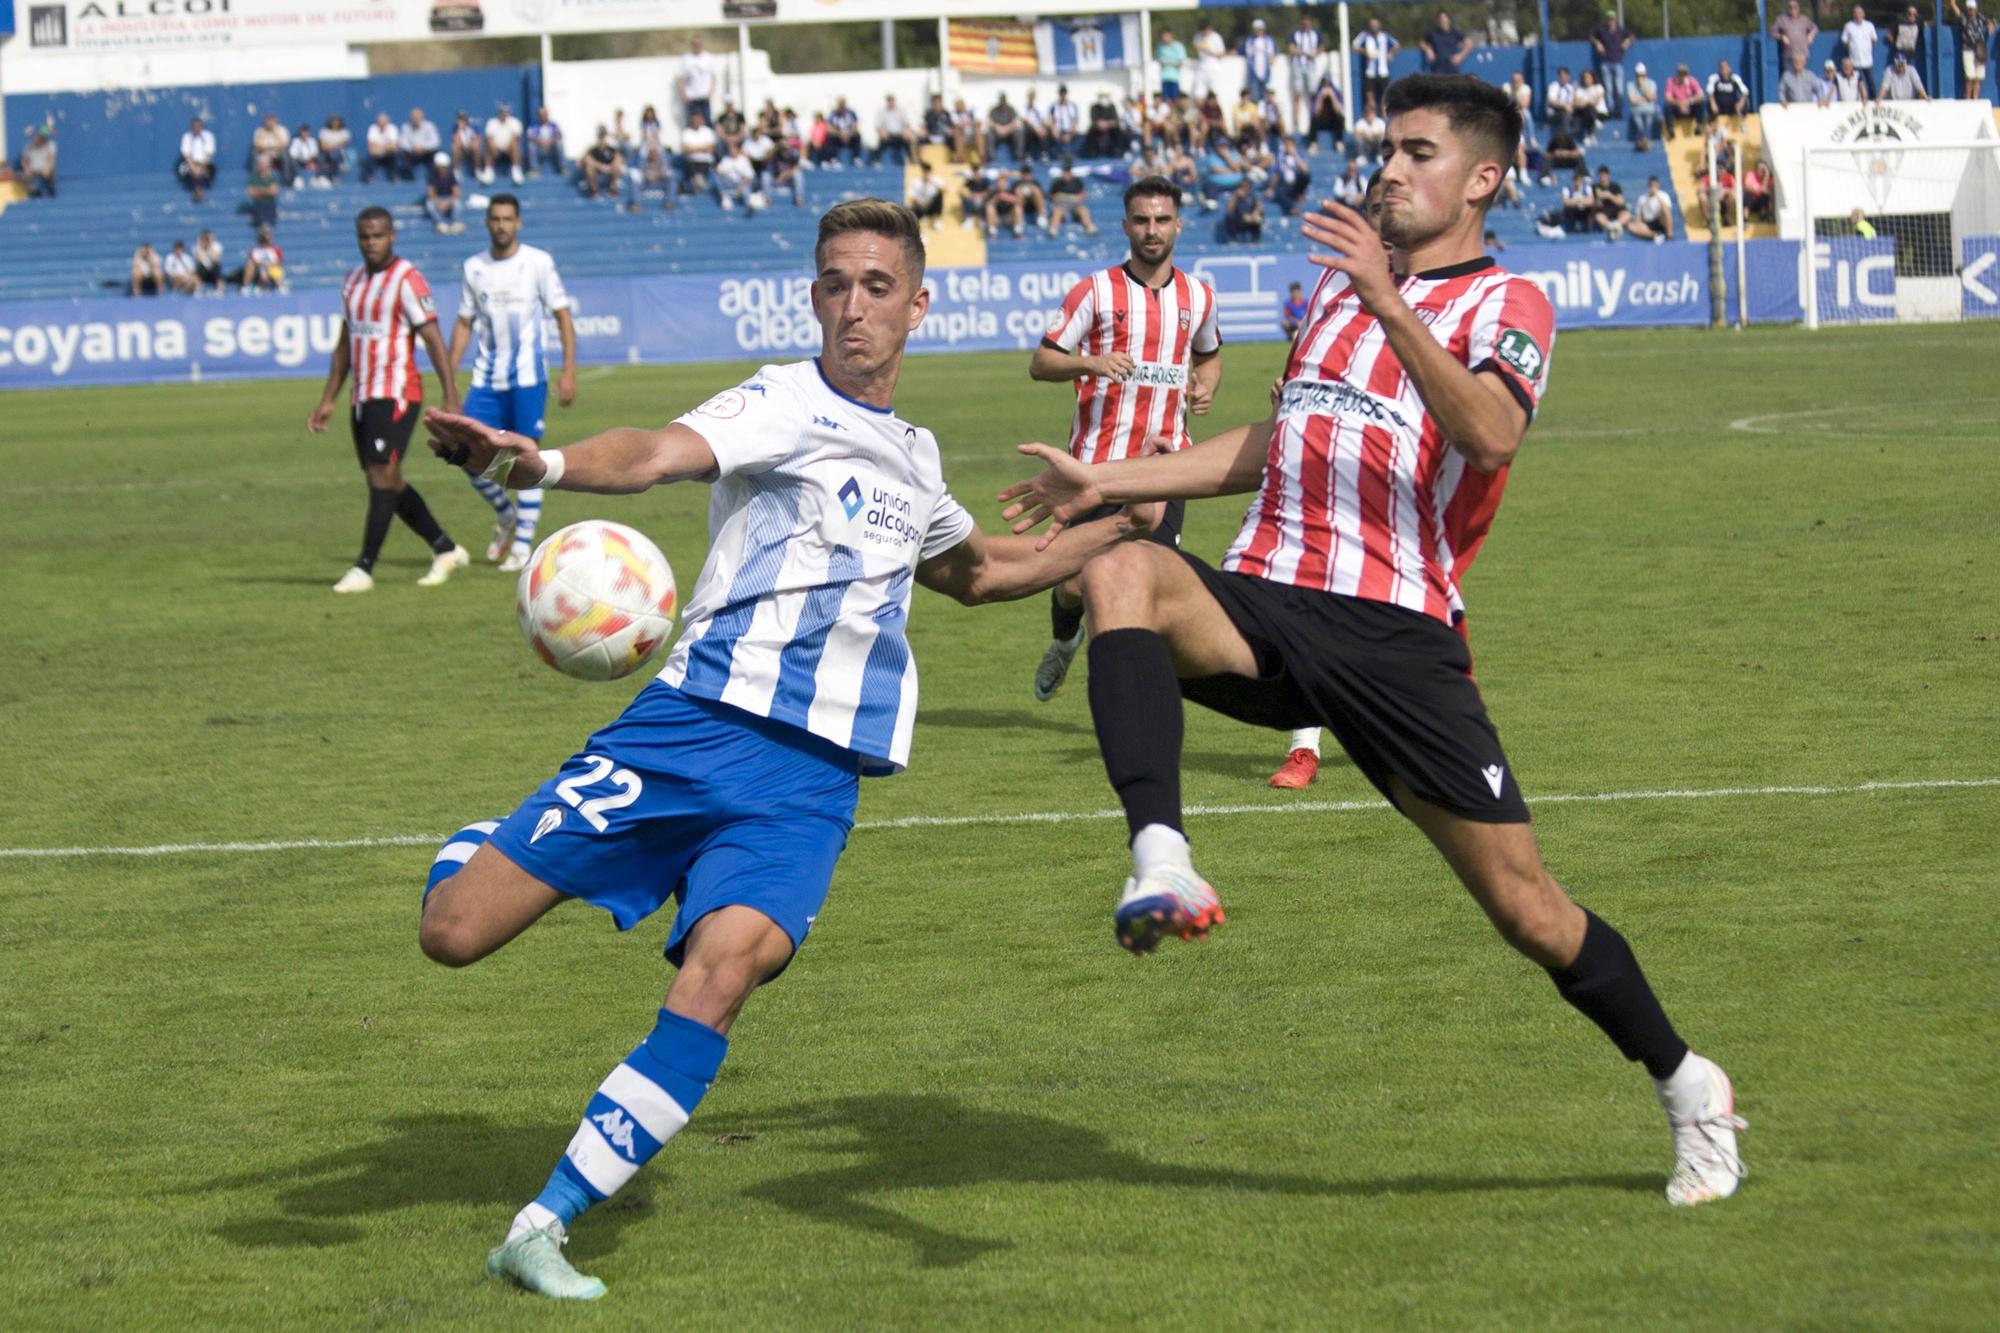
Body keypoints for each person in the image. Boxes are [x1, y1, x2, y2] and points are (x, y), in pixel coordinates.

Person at [996, 74, 1747, 1214]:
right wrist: (1111, 475)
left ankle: (1689, 1085)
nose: (1387, 170)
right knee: (1121, 568)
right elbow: (1267, 440)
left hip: (1400, 640)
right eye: (1383, 151)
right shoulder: (1338, 295)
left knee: (1526, 911)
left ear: (1481, 179)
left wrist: (1389, 302)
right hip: (1270, 599)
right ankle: (1160, 855)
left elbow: (1489, 434)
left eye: (1415, 152)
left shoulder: (1508, 304)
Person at [417, 199, 1161, 1302]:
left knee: (728, 969)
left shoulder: (911, 457)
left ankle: (541, 1225)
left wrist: (1119, 515)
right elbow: (659, 453)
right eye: (832, 283)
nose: (850, 306)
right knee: (453, 933)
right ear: (812, 296)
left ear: (918, 302)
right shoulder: (781, 399)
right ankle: (486, 843)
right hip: (692, 728)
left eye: (873, 286)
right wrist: (544, 466)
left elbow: (984, 572)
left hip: (811, 782)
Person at [1024, 175, 1222, 703]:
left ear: (1178, 224)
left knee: (1143, 581)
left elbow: (1209, 354)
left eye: (1162, 220)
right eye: (1142, 220)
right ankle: (1066, 642)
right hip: (1095, 468)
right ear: (1126, 226)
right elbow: (1041, 363)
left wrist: (1206, 387)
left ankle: (1128, 689)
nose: (1152, 230)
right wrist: (1090, 360)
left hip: (1166, 466)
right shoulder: (1095, 291)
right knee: (1072, 587)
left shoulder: (1198, 296)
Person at [307, 207, 466, 595]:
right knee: (386, 479)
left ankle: (364, 568)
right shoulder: (352, 282)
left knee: (381, 475)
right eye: (364, 236)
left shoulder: (407, 279)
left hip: (396, 392)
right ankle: (445, 547)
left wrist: (449, 392)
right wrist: (328, 398)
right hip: (362, 397)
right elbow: (345, 344)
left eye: (378, 236)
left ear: (391, 235)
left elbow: (431, 337)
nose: (371, 243)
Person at [445, 194, 577, 574]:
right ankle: (507, 515)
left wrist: (568, 371)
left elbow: (562, 315)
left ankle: (522, 549)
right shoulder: (474, 268)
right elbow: (465, 322)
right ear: (487, 223)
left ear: (518, 223)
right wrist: (450, 379)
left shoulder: (538, 262)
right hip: (486, 379)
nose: (501, 225)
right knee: (463, 453)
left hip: (528, 379)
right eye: (495, 219)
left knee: (527, 458)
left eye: (507, 219)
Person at [1590, 9, 1633, 115]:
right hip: (1605, 62)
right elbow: (1591, 36)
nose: (1611, 21)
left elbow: (1632, 36)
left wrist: (1626, 42)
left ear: (1616, 19)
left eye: (1612, 19)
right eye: (1609, 19)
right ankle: (1610, 111)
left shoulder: (1621, 30)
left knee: (1619, 90)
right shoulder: (1601, 30)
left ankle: (1618, 111)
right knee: (1608, 89)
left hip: (1617, 62)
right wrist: (1598, 44)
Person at [1355, 18, 1399, 114]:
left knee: (1385, 98)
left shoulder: (1385, 36)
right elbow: (1354, 45)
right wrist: (1364, 52)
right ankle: (1372, 119)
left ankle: (1384, 120)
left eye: (1376, 25)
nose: (1374, 27)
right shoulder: (1365, 36)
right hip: (1370, 72)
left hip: (1383, 72)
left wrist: (1391, 53)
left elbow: (1396, 44)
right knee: (1370, 98)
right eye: (1372, 25)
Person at [1288, 15, 1323, 133]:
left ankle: (1314, 121)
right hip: (1298, 65)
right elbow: (1291, 49)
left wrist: (1314, 54)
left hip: (1310, 66)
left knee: (1312, 95)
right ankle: (1296, 123)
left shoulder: (1315, 34)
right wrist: (1304, 53)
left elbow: (1321, 47)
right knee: (1297, 94)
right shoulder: (1295, 34)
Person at [1045, 159, 1098, 236]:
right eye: (1065, 172)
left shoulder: (1077, 182)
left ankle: (1090, 227)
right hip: (1060, 204)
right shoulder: (1057, 183)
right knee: (1057, 212)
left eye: (1068, 172)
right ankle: (1053, 230)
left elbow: (1083, 194)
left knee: (1083, 210)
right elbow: (1051, 196)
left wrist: (1077, 198)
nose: (1066, 174)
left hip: (1075, 204)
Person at [1951, 0, 1991, 99]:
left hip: (1979, 48)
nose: (1971, 11)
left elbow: (1989, 22)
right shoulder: (1964, 17)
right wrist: (1952, 3)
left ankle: (1975, 98)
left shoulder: (1981, 17)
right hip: (1968, 49)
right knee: (1969, 76)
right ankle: (1969, 98)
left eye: (1972, 9)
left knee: (1979, 76)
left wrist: (1990, 27)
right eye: (1969, 9)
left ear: (1976, 9)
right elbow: (1955, 8)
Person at [1771, 0, 1820, 72]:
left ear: (1798, 8)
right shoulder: (1782, 19)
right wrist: (1781, 37)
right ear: (1787, 8)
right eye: (1790, 7)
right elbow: (1772, 32)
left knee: (1802, 79)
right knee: (1790, 79)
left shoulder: (1804, 19)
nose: (1793, 9)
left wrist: (1811, 34)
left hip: (1802, 56)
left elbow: (1815, 28)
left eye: (1795, 7)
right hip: (1789, 56)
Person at [680, 36, 719, 124]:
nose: (697, 46)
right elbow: (681, 78)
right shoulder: (686, 59)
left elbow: (714, 76)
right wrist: (684, 95)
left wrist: (710, 92)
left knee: (707, 121)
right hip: (691, 97)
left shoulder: (708, 57)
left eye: (698, 44)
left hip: (704, 96)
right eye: (694, 44)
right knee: (692, 122)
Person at [1844, 5, 1881, 93]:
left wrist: (1867, 49)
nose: (1858, 15)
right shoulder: (1848, 26)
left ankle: (1873, 100)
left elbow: (1874, 40)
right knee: (1856, 83)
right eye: (1856, 13)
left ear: (1863, 14)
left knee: (1870, 82)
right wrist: (1853, 50)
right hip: (1854, 61)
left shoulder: (1869, 25)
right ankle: (1857, 100)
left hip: (1867, 60)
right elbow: (1845, 42)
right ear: (1853, 15)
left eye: (1860, 13)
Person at [579, 127, 624, 200]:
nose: (602, 139)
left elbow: (619, 158)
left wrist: (610, 166)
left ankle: (613, 189)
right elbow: (585, 159)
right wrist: (601, 166)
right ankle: (595, 190)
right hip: (597, 169)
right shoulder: (593, 149)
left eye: (603, 136)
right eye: (600, 136)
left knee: (617, 165)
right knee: (589, 167)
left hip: (609, 169)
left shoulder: (610, 149)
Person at [486, 102, 525, 184]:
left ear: (509, 112)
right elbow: (489, 138)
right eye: (502, 111)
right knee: (489, 146)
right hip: (495, 149)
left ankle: (516, 171)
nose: (503, 113)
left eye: (505, 111)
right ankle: (489, 171)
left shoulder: (515, 122)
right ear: (499, 112)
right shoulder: (492, 122)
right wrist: (495, 148)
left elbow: (516, 137)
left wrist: (507, 147)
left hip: (509, 148)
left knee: (515, 145)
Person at [1305, 78, 1347, 155]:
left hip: (1333, 122)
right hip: (1321, 122)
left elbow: (1339, 110)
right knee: (1314, 119)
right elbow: (1316, 112)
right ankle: (1313, 144)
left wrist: (1332, 97)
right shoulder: (1317, 94)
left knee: (1340, 118)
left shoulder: (1336, 93)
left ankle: (1339, 142)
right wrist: (1321, 97)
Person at [179, 116, 216, 202]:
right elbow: (186, 154)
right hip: (191, 164)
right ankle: (194, 189)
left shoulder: (208, 136)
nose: (196, 129)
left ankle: (201, 189)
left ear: (201, 126)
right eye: (194, 127)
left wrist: (201, 167)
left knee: (210, 170)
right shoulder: (186, 136)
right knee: (183, 169)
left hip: (204, 163)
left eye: (198, 126)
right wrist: (194, 168)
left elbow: (209, 154)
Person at [715, 142, 761, 211]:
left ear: (737, 150)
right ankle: (724, 197)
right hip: (728, 183)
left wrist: (741, 187)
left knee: (746, 188)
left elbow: (749, 176)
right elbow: (719, 171)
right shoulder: (725, 159)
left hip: (741, 183)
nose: (732, 151)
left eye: (733, 149)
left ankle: (749, 205)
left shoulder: (743, 160)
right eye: (730, 149)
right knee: (716, 177)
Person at [426, 151, 465, 234]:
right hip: (438, 199)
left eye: (444, 167)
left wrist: (447, 203)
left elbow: (456, 193)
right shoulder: (432, 175)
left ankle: (455, 222)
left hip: (449, 198)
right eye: (441, 167)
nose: (443, 169)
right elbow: (431, 193)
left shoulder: (451, 175)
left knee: (457, 203)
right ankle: (440, 223)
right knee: (429, 204)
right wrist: (438, 203)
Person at [1241, 19, 1279, 102]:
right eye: (1257, 29)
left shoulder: (1269, 40)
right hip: (1253, 74)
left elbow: (1275, 51)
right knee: (1255, 97)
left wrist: (1273, 59)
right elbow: (1240, 50)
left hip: (1266, 72)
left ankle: (1265, 114)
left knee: (1266, 97)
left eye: (1260, 29)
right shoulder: (1249, 40)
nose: (1259, 31)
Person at [680, 111, 718, 191]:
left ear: (701, 119)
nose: (696, 121)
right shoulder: (686, 132)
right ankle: (698, 182)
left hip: (705, 162)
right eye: (695, 119)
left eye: (698, 119)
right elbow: (685, 149)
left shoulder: (708, 131)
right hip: (691, 162)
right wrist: (703, 148)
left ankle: (697, 182)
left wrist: (693, 148)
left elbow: (711, 148)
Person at [399, 108, 441, 181]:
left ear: (422, 117)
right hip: (412, 153)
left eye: (418, 116)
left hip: (427, 153)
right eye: (414, 117)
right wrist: (414, 148)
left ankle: (433, 179)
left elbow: (435, 142)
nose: (416, 118)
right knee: (401, 156)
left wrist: (423, 147)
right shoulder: (406, 127)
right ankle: (409, 180)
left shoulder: (430, 126)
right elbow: (403, 142)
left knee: (436, 155)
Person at [1629, 176, 1676, 241]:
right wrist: (1638, 223)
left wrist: (1657, 196)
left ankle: (1669, 236)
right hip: (1648, 223)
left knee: (1667, 212)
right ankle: (1655, 235)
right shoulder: (1642, 198)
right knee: (1631, 226)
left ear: (1658, 185)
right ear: (1648, 186)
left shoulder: (1664, 195)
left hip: (1660, 220)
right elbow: (1639, 215)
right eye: (1651, 185)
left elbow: (1667, 210)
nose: (1653, 187)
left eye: (1655, 185)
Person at [984, 94, 1026, 165]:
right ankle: (992, 159)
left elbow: (1015, 122)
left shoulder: (1011, 109)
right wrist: (997, 127)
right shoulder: (993, 110)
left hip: (1009, 133)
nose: (1002, 102)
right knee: (989, 133)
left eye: (1003, 100)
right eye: (1001, 100)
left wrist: (1006, 128)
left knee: (1019, 132)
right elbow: (989, 122)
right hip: (997, 133)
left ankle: (1019, 157)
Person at [1707, 60, 1750, 130]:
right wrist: (1713, 103)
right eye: (1721, 68)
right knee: (1709, 103)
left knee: (1745, 101)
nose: (1724, 70)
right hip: (1719, 106)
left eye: (1725, 67)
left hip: (1732, 106)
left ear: (1729, 68)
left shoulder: (1735, 78)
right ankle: (1713, 126)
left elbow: (1745, 91)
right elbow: (1709, 91)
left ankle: (1743, 123)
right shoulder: (1714, 78)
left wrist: (1741, 102)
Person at [1664, 64, 1705, 136]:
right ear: (1677, 74)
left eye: (1684, 74)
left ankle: (1699, 126)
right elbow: (1668, 98)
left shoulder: (1692, 80)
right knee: (1667, 107)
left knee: (1701, 104)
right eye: (1680, 74)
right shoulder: (1671, 81)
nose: (1682, 76)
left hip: (1689, 107)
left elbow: (1701, 95)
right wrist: (1679, 104)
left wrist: (1688, 102)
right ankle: (1670, 130)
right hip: (1678, 108)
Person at [874, 94, 914, 166]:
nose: (891, 103)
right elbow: (878, 125)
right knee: (881, 141)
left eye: (892, 101)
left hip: (900, 135)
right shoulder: (883, 112)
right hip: (888, 136)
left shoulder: (901, 111)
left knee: (908, 140)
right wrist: (881, 132)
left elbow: (907, 124)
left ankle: (911, 160)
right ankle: (877, 161)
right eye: (889, 101)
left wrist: (906, 131)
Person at [1627, 64, 1661, 148]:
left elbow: (1653, 98)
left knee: (1648, 124)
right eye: (1638, 75)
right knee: (1640, 126)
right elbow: (1632, 100)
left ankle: (1646, 141)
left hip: (1649, 109)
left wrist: (1643, 87)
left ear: (1645, 74)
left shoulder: (1651, 83)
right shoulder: (1630, 84)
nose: (1640, 77)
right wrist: (1646, 99)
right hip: (1636, 110)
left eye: (1642, 75)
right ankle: (1640, 141)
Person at [245, 153, 282, 231]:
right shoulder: (254, 177)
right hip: (258, 205)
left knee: (269, 218)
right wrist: (267, 190)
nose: (263, 165)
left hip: (270, 205)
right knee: (259, 219)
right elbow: (251, 192)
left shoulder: (272, 177)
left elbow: (274, 192)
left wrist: (259, 190)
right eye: (261, 163)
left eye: (265, 163)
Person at [243, 225, 285, 292]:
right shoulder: (255, 249)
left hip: (271, 267)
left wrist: (269, 265)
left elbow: (279, 262)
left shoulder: (275, 249)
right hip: (259, 268)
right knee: (250, 266)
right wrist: (262, 265)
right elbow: (253, 261)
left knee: (276, 270)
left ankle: (281, 287)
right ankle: (246, 286)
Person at [252, 114, 290, 183]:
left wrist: (269, 146)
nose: (270, 123)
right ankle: (255, 180)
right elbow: (256, 145)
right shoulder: (260, 131)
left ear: (276, 122)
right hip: (265, 154)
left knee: (285, 154)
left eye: (272, 121)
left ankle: (286, 179)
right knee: (255, 153)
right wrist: (273, 147)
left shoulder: (281, 130)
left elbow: (285, 144)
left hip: (277, 155)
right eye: (268, 121)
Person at [527, 106, 565, 177]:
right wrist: (540, 142)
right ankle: (534, 170)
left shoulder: (553, 125)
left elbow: (559, 135)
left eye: (544, 114)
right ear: (538, 115)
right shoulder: (533, 125)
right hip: (539, 149)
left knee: (559, 144)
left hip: (551, 149)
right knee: (531, 146)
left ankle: (562, 168)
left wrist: (550, 142)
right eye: (540, 115)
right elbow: (530, 136)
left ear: (547, 114)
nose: (542, 116)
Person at [20, 128, 57, 199]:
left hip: (45, 169)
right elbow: (24, 159)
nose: (39, 138)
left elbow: (52, 158)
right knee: (20, 176)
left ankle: (52, 190)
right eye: (38, 136)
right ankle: (34, 191)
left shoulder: (50, 144)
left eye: (42, 136)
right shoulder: (28, 145)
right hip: (33, 170)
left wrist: (48, 168)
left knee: (53, 171)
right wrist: (27, 169)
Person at [1192, 20, 1226, 97]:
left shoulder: (1216, 37)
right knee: (1198, 95)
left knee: (1214, 95)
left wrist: (1208, 51)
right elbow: (1194, 51)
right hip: (1201, 68)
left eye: (1205, 30)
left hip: (1213, 69)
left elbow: (1221, 54)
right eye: (1202, 30)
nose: (1204, 32)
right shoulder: (1197, 36)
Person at [1225, 177, 1265, 242]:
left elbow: (1260, 206)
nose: (1244, 188)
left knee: (1260, 216)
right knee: (1229, 217)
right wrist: (1235, 197)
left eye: (1246, 186)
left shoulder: (1252, 196)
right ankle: (1233, 238)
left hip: (1250, 218)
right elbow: (1229, 209)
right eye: (1242, 186)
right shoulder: (1234, 196)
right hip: (1239, 219)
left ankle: (1256, 238)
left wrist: (1255, 212)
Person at [907, 159, 944, 226]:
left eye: (927, 171)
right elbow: (911, 196)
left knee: (939, 195)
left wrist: (932, 183)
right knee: (910, 208)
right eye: (924, 171)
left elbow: (943, 191)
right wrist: (921, 204)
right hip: (920, 206)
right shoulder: (916, 182)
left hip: (931, 205)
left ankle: (938, 220)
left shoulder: (936, 180)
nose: (926, 173)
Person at [1352, 94, 1387, 163]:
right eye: (1368, 114)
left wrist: (1373, 135)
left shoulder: (1379, 122)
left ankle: (1379, 156)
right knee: (1358, 139)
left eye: (1371, 114)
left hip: (1376, 143)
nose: (1370, 116)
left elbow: (1384, 132)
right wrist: (1366, 135)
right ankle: (1361, 157)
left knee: (1381, 138)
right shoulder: (1361, 122)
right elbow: (1355, 131)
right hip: (1365, 144)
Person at [365, 113, 399, 183]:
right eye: (380, 121)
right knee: (371, 156)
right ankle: (371, 177)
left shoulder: (392, 128)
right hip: (376, 155)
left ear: (387, 121)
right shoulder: (373, 128)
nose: (382, 122)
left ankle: (395, 175)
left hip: (388, 154)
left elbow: (393, 146)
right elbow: (371, 147)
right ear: (377, 121)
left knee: (395, 154)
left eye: (384, 120)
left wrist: (379, 147)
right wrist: (386, 146)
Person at [1574, 70, 1608, 140]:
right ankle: (1592, 127)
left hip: (1599, 112)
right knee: (1587, 110)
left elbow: (1596, 102)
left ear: (1593, 78)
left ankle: (1589, 134)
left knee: (1589, 108)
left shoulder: (1598, 87)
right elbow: (1576, 103)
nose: (1587, 79)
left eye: (1589, 77)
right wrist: (1587, 103)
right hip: (1585, 113)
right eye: (1585, 78)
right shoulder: (1580, 90)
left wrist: (1585, 102)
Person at [1156, 27, 1188, 102]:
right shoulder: (1160, 46)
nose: (1164, 38)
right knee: (1165, 100)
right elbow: (1157, 59)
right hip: (1164, 77)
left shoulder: (1178, 46)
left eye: (1166, 36)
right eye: (1163, 36)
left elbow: (1181, 63)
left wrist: (1167, 63)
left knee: (1175, 99)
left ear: (1171, 35)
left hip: (1175, 78)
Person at [318, 115, 351, 182]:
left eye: (337, 122)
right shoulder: (324, 132)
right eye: (333, 121)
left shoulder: (345, 132)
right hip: (326, 154)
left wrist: (331, 145)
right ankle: (326, 176)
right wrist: (336, 144)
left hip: (340, 154)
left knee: (336, 153)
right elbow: (323, 146)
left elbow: (344, 144)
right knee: (332, 153)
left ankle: (335, 173)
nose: (335, 123)